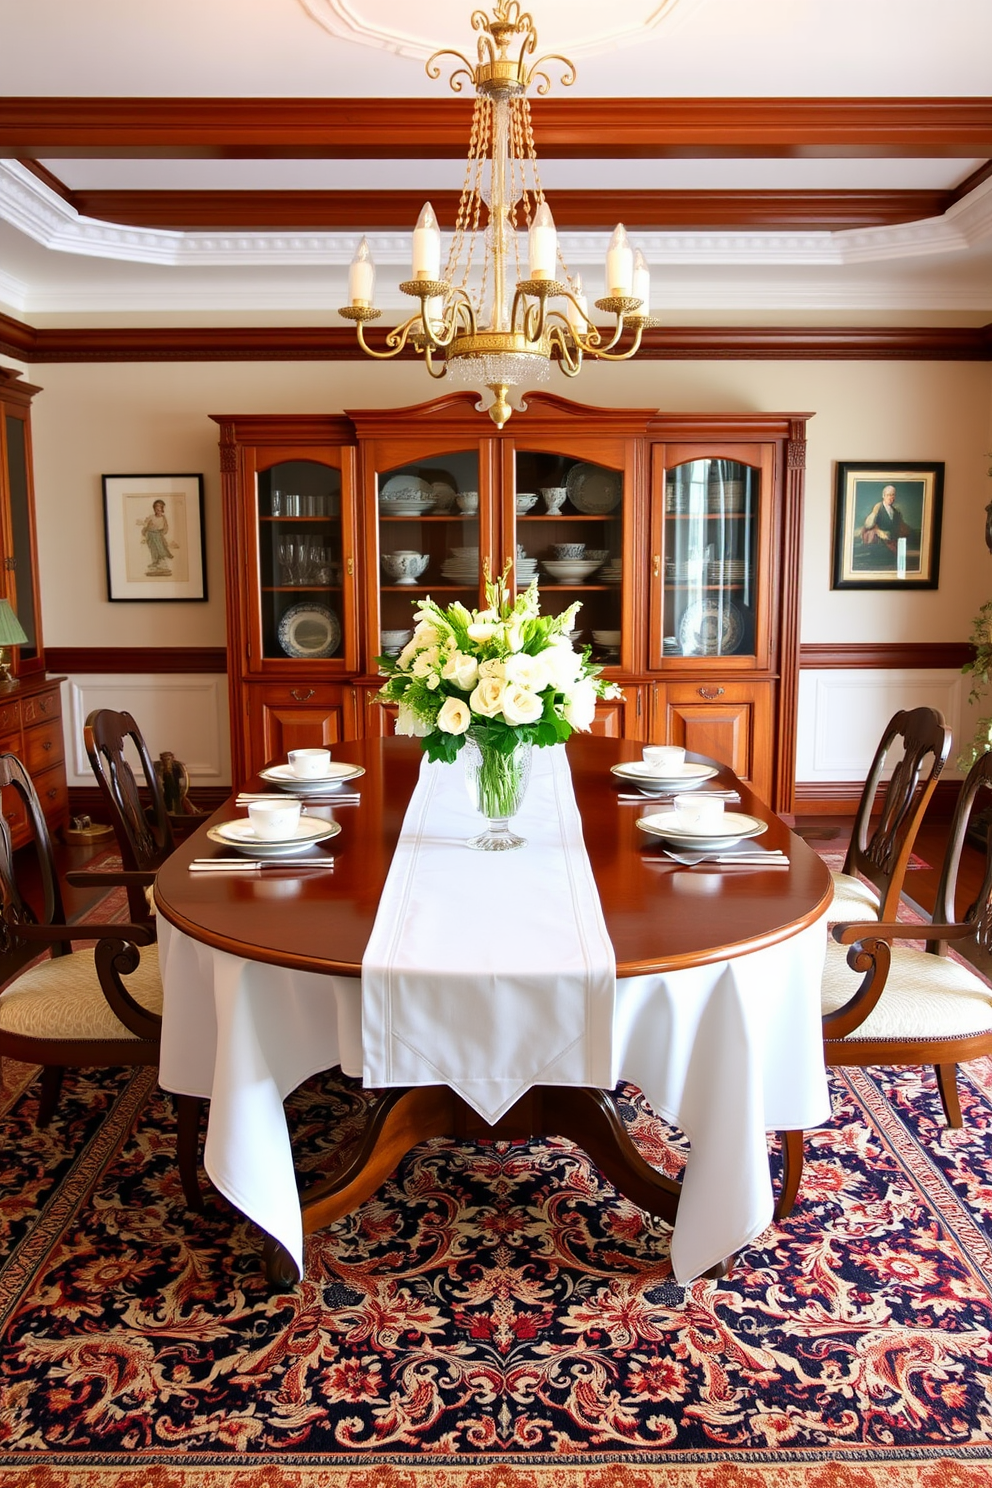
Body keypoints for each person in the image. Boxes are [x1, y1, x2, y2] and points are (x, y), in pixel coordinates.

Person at [859, 484, 913, 554]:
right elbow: (868, 525)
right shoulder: (878, 508)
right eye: (888, 495)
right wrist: (878, 531)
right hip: (879, 544)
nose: (890, 497)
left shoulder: (896, 512)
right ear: (883, 496)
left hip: (892, 543)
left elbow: (900, 527)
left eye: (892, 495)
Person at [140, 498, 173, 575]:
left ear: (162, 509)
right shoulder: (151, 517)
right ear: (154, 509)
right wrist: (144, 529)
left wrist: (163, 532)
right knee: (153, 549)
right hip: (150, 535)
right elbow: (146, 524)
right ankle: (155, 562)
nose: (158, 510)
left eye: (159, 508)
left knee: (160, 548)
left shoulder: (163, 518)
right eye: (156, 508)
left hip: (158, 535)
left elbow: (166, 527)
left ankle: (162, 563)